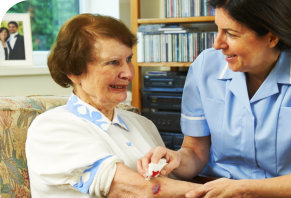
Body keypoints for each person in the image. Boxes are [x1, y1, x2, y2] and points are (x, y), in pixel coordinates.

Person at [138, 0, 291, 197]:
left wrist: (242, 189)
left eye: (230, 33)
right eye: (217, 29)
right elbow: (196, 152)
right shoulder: (205, 68)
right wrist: (176, 159)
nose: (217, 43)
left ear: (271, 37)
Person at [25, 13, 201, 197]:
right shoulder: (52, 129)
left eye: (128, 60)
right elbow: (141, 190)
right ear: (74, 71)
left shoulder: (142, 124)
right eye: (113, 62)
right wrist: (227, 192)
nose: (128, 73)